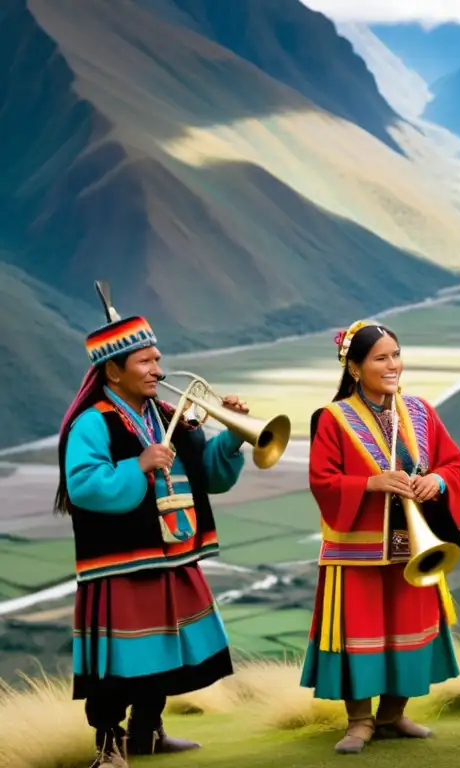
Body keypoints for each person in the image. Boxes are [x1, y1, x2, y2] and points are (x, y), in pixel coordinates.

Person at [55, 282, 249, 768]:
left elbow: (209, 474)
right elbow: (83, 486)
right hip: (120, 564)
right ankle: (108, 747)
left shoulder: (168, 415)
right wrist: (138, 464)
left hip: (171, 554)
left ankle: (148, 732)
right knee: (121, 663)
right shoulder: (93, 423)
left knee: (164, 652)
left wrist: (230, 439)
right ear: (112, 371)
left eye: (158, 359)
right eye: (145, 362)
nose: (158, 371)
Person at [300, 319, 460, 755]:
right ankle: (359, 722)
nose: (393, 364)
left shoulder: (420, 411)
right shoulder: (332, 418)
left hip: (413, 545)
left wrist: (438, 482)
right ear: (355, 368)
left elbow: (452, 462)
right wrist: (370, 484)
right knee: (358, 634)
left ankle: (393, 715)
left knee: (408, 628)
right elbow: (322, 481)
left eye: (396, 354)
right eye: (381, 358)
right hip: (357, 551)